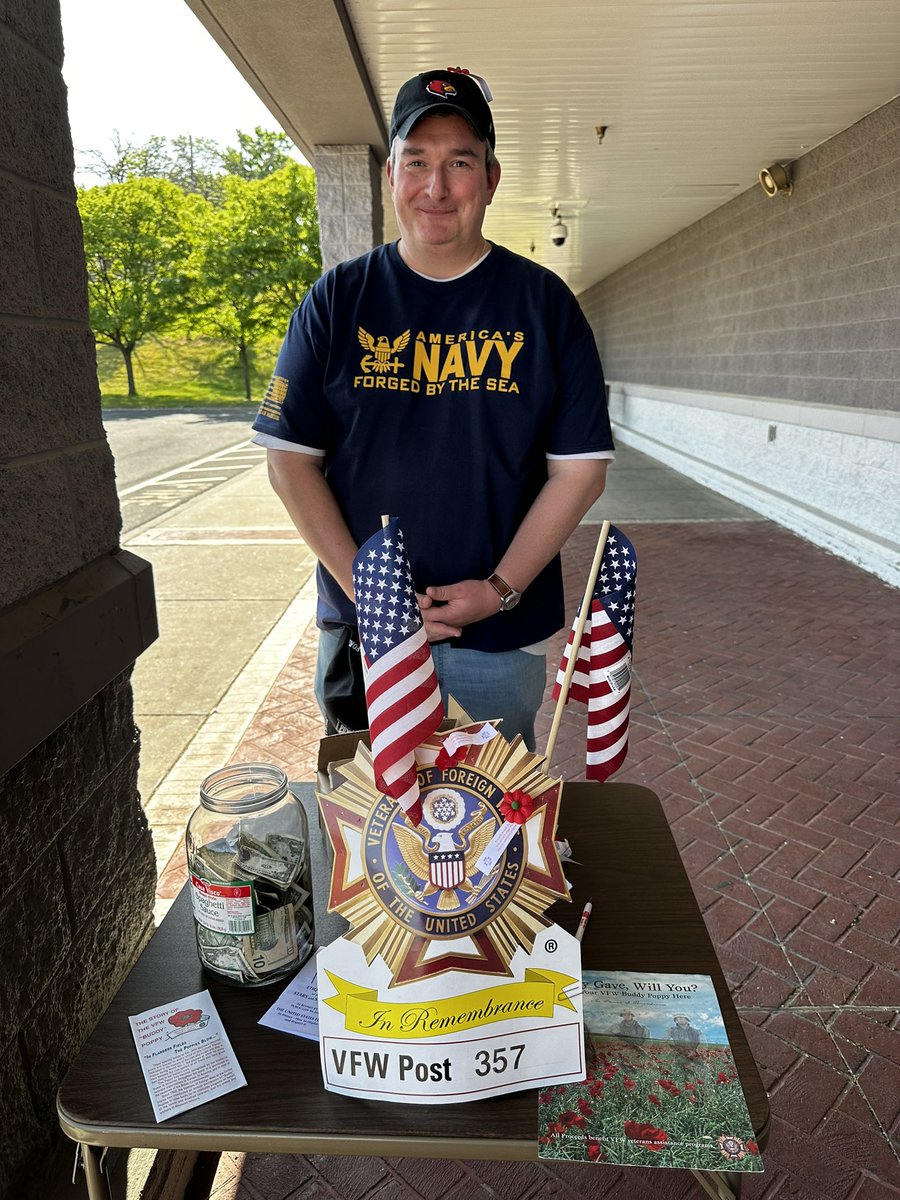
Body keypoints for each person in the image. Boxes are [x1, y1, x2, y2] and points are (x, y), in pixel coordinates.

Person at [252, 67, 615, 749]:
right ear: (392, 173)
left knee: (490, 830)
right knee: (367, 831)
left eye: (459, 163)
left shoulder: (545, 306)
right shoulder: (337, 302)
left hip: (500, 638)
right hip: (366, 633)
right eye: (417, 162)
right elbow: (290, 463)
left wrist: (501, 588)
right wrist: (375, 598)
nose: (437, 188)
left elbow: (580, 471)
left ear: (492, 177)